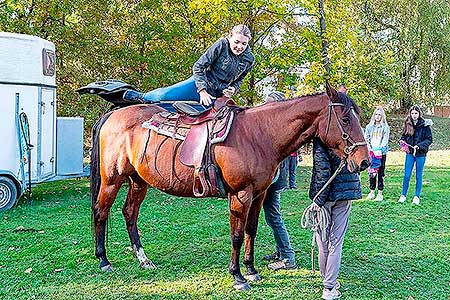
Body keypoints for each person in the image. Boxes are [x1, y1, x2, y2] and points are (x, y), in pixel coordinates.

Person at [308, 92, 362, 300]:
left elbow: (321, 170)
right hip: (343, 194)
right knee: (335, 241)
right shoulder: (351, 129)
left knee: (323, 241)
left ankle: (328, 284)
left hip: (326, 197)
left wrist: (317, 200)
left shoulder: (324, 134)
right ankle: (329, 286)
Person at [123, 24, 255, 106]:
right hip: (200, 85)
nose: (239, 47)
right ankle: (140, 96)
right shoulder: (221, 45)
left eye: (244, 44)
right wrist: (202, 91)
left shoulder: (249, 59)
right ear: (230, 37)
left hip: (218, 95)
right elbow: (198, 67)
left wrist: (233, 89)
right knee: (164, 96)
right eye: (236, 42)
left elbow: (240, 78)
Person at [261, 91, 296, 271]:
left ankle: (288, 256)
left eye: (269, 104)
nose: (265, 107)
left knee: (274, 216)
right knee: (271, 216)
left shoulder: (281, 126)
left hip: (274, 177)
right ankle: (281, 251)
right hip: (271, 176)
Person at [398, 105, 433, 205]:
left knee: (418, 175)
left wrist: (419, 146)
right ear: (410, 114)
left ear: (419, 114)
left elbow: (429, 139)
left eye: (416, 113)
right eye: (412, 113)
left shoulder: (425, 125)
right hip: (410, 153)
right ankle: (403, 195)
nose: (414, 115)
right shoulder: (407, 124)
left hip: (421, 153)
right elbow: (403, 136)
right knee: (407, 175)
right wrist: (402, 142)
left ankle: (416, 196)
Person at [364, 106, 390, 201]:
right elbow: (366, 139)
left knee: (380, 172)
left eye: (379, 115)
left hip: (381, 153)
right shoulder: (369, 127)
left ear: (382, 116)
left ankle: (380, 193)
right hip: (371, 153)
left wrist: (379, 149)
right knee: (372, 172)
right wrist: (370, 148)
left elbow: (385, 140)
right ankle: (371, 192)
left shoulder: (385, 127)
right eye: (376, 114)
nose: (377, 116)